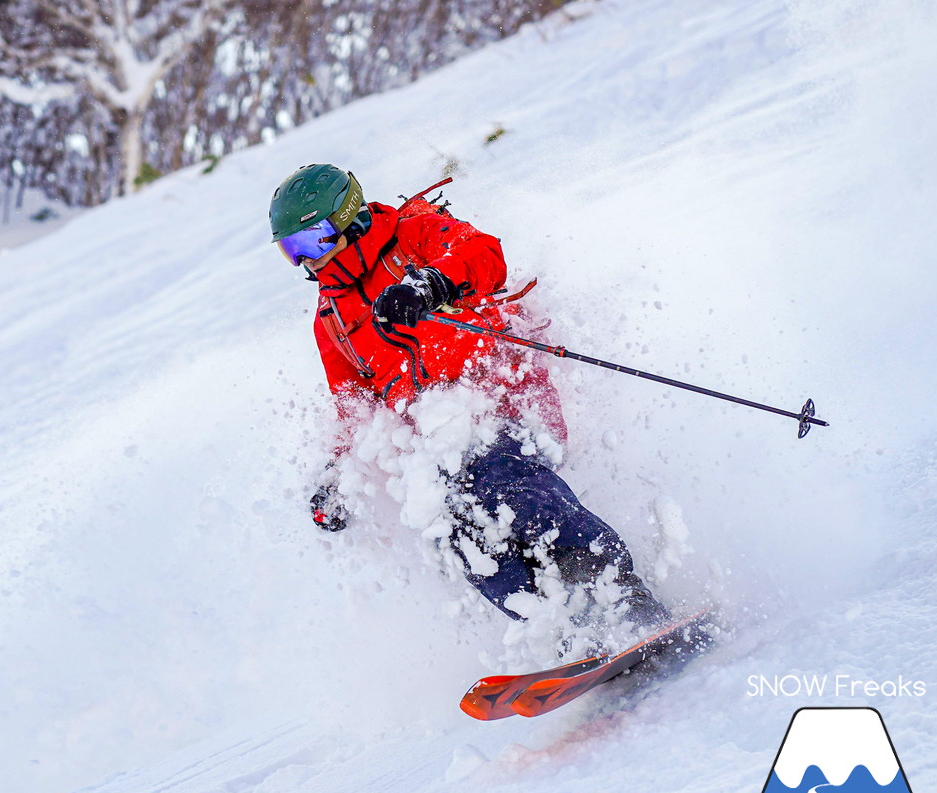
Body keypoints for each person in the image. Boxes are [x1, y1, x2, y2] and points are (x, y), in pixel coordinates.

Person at [269, 163, 672, 641]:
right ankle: (565, 630)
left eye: (311, 241)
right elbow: (355, 409)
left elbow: (485, 254)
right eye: (290, 250)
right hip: (440, 441)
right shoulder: (331, 319)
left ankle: (626, 599)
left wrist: (431, 283)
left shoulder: (412, 236)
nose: (305, 261)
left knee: (502, 484)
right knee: (458, 530)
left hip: (507, 394)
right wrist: (339, 477)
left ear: (348, 216)